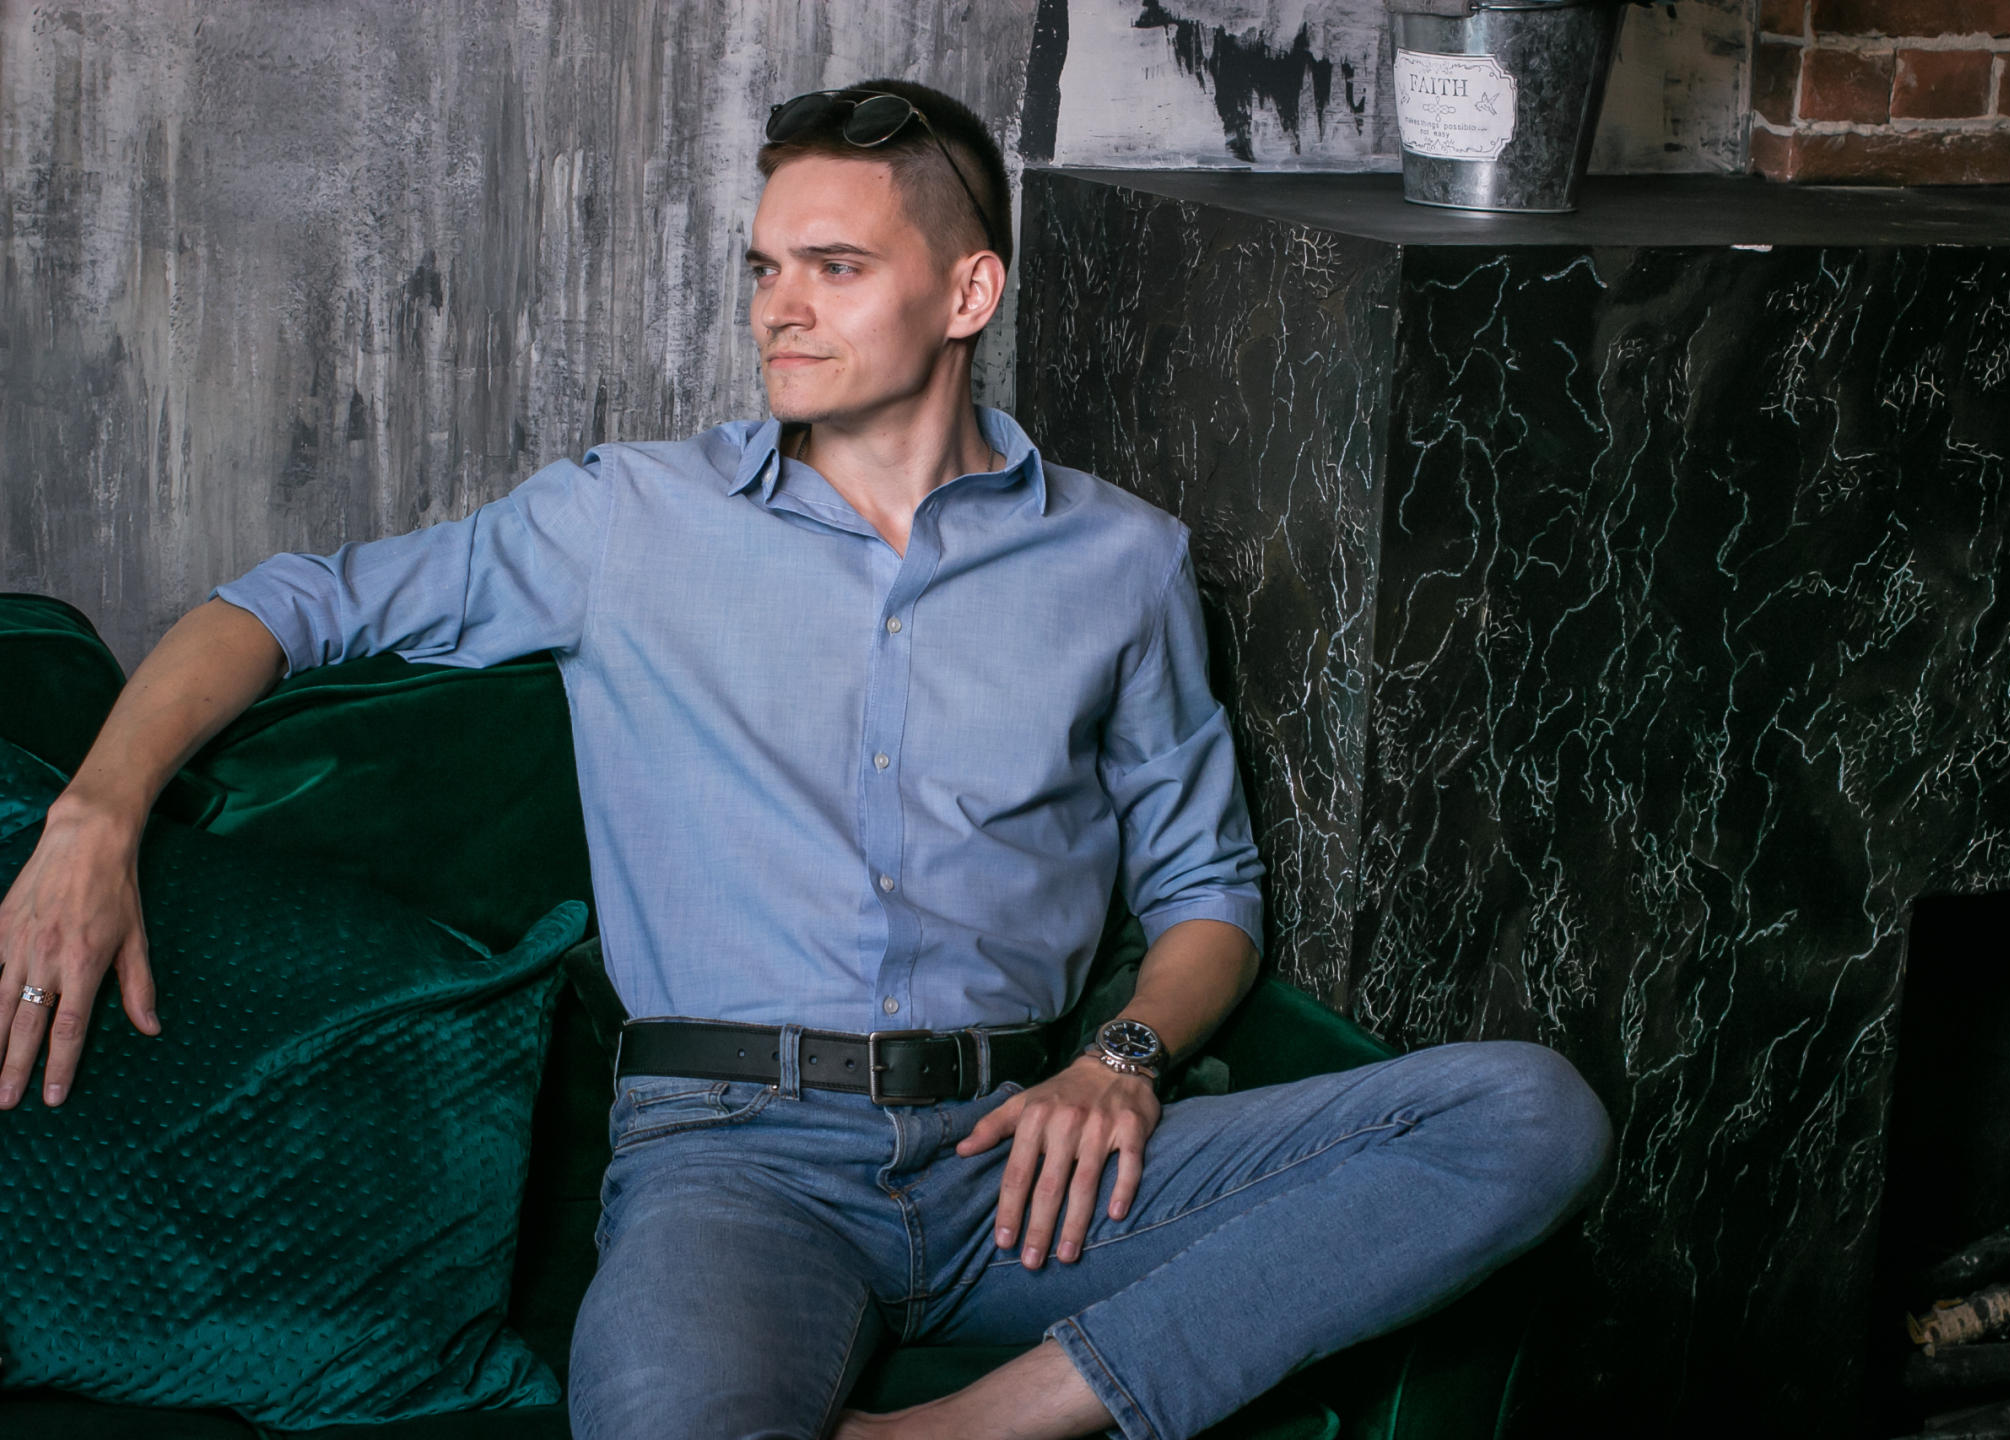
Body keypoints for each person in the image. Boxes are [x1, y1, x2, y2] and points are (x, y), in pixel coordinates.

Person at [0, 78, 1613, 1440]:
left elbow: (1210, 890)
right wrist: (97, 812)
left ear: (968, 293)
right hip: (732, 1168)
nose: (780, 305)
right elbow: (287, 607)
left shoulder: (1122, 563)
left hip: (1022, 1165)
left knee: (1526, 1115)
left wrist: (1117, 1064)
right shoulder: (627, 520)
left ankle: (986, 1422)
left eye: (835, 267)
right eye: (767, 266)